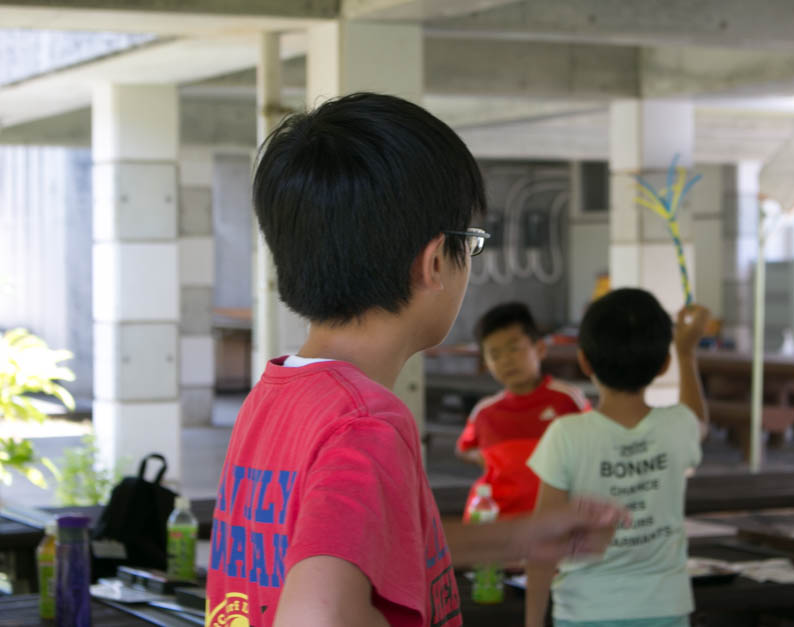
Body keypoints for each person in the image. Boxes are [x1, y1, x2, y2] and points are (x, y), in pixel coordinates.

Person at [204, 92, 625, 627]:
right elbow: (316, 615)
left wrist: (514, 537)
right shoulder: (366, 424)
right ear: (432, 262)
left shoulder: (276, 398)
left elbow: (344, 541)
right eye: (469, 245)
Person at [525, 288, 710, 627]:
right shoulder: (676, 427)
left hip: (584, 611)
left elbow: (543, 540)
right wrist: (687, 352)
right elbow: (698, 420)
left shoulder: (566, 435)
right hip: (665, 608)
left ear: (584, 361)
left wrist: (533, 622)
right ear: (663, 364)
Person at [456, 302, 591, 518]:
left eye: (514, 348)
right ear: (485, 364)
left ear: (540, 348)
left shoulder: (567, 399)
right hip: (501, 520)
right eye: (495, 354)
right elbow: (464, 449)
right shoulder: (484, 412)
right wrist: (484, 458)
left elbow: (592, 446)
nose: (506, 360)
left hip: (553, 519)